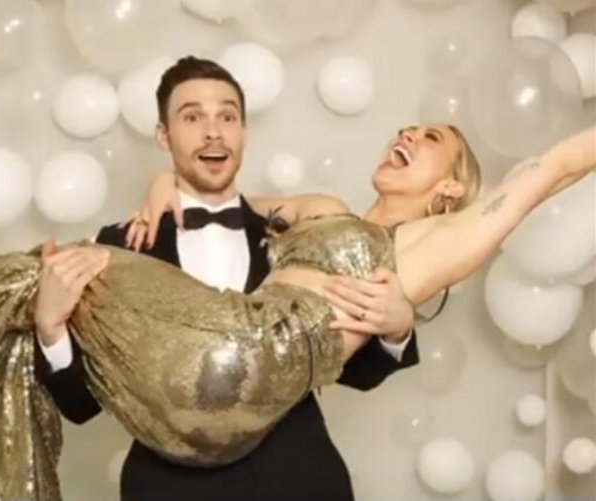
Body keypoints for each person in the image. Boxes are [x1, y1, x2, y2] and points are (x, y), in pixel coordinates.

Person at [33, 56, 419, 501]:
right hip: (170, 489)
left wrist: (396, 331)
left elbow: (355, 372)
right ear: (163, 135)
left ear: (244, 132)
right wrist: (51, 328)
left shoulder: (297, 234)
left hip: (300, 481)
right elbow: (82, 405)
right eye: (192, 117)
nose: (213, 132)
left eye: (227, 117)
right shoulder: (119, 247)